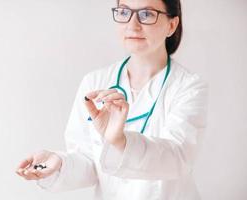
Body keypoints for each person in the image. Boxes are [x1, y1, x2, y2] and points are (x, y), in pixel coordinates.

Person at [15, 0, 209, 199]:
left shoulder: (188, 87)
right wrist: (59, 164)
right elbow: (90, 162)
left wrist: (120, 142)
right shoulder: (95, 82)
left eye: (147, 14)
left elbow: (177, 159)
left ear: (171, 25)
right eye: (124, 12)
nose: (132, 25)